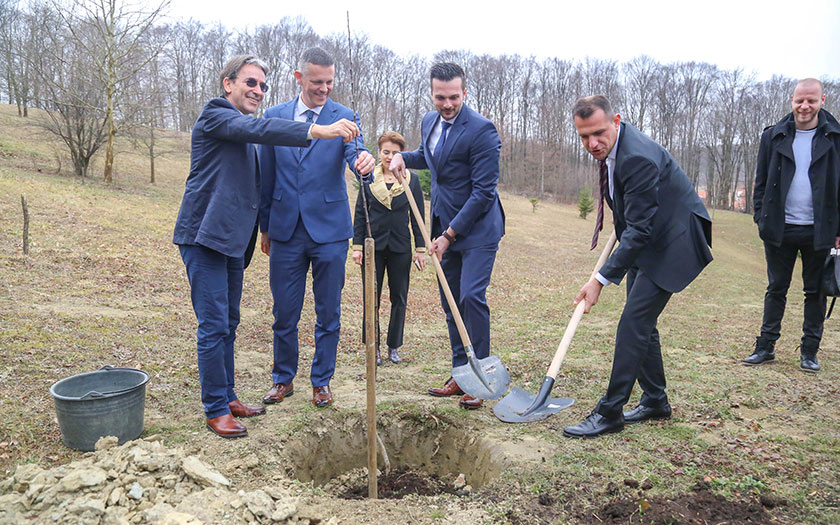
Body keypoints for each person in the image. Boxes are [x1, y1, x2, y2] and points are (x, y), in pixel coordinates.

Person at [173, 55, 361, 438]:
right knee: (212, 327)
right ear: (228, 83)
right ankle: (215, 409)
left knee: (228, 323)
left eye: (262, 85)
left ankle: (227, 397)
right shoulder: (216, 114)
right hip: (203, 236)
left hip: (230, 242)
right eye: (250, 83)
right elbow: (264, 138)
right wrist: (317, 132)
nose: (257, 90)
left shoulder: (247, 127)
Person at [563, 95, 713, 438]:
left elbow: (641, 230)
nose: (592, 143)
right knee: (643, 323)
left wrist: (600, 280)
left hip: (675, 242)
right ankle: (656, 401)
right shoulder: (613, 149)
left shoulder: (637, 158)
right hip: (650, 236)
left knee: (633, 323)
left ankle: (610, 411)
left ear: (616, 120)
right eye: (584, 136)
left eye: (599, 133)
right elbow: (633, 216)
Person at [258, 47, 375, 408]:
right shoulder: (275, 116)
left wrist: (364, 163)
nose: (323, 89)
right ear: (299, 78)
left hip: (330, 233)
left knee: (329, 312)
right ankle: (283, 379)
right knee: (284, 311)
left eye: (329, 82)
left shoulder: (345, 116)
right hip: (285, 231)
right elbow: (267, 175)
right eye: (316, 82)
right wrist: (265, 227)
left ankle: (321, 380)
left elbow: (354, 156)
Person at [389, 62, 505, 410]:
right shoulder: (429, 122)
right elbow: (430, 157)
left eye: (454, 97)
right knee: (449, 302)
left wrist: (450, 235)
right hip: (442, 223)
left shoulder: (482, 131)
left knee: (470, 297)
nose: (447, 104)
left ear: (464, 93)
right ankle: (460, 373)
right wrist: (402, 158)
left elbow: (484, 192)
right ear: (432, 93)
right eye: (441, 97)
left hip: (478, 229)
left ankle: (481, 377)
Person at [744, 78, 840, 373]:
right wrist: (761, 218)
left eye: (811, 100)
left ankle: (809, 352)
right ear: (791, 99)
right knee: (776, 288)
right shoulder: (773, 136)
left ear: (822, 100)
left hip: (820, 229)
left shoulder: (835, 138)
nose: (805, 106)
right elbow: (759, 183)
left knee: (816, 292)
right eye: (800, 100)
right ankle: (766, 347)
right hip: (779, 228)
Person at [352, 131, 427, 366]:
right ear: (379, 152)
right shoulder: (367, 178)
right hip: (372, 247)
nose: (389, 156)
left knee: (399, 298)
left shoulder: (411, 180)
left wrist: (421, 248)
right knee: (371, 298)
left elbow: (417, 216)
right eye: (386, 151)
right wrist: (357, 246)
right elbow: (359, 214)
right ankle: (372, 348)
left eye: (395, 152)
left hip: (400, 247)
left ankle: (393, 346)